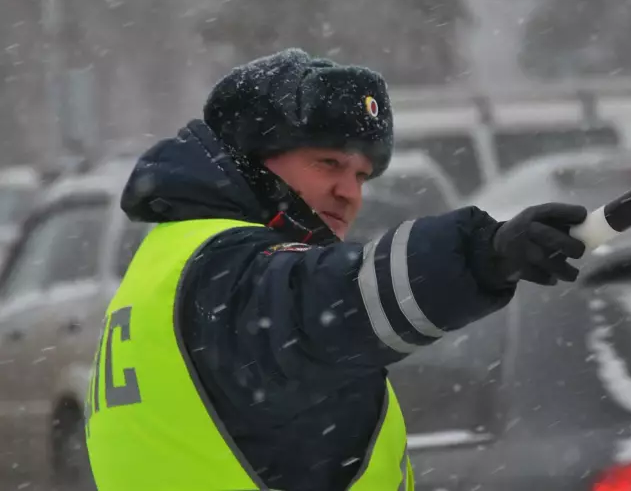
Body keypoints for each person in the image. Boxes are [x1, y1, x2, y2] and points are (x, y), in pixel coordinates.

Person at [84, 48, 588, 491]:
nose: (350, 193)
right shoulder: (227, 271)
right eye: (328, 163)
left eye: (362, 175)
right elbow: (332, 300)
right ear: (251, 161)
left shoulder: (172, 262)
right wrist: (482, 254)